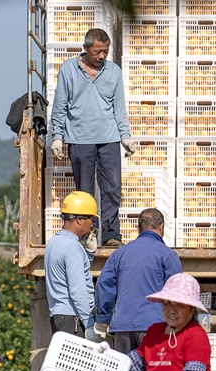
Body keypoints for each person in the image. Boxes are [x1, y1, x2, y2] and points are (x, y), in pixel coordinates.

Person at [49, 27, 135, 247]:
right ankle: (87, 233)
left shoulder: (113, 71)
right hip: (79, 138)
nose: (102, 56)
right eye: (97, 52)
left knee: (112, 188)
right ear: (85, 48)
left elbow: (119, 107)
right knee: (84, 191)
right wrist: (57, 136)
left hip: (108, 137)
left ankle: (111, 233)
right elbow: (60, 105)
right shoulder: (68, 70)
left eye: (105, 51)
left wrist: (125, 136)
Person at [94, 208, 182, 354]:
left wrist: (103, 318)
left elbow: (104, 284)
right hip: (155, 327)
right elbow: (177, 294)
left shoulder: (119, 254)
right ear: (161, 228)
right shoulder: (168, 255)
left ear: (138, 228)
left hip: (123, 326)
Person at [44, 191, 100, 341]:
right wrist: (88, 324)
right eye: (91, 219)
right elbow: (77, 290)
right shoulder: (72, 247)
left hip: (59, 317)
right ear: (79, 220)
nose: (92, 225)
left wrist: (88, 253)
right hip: (72, 319)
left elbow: (74, 273)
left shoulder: (54, 242)